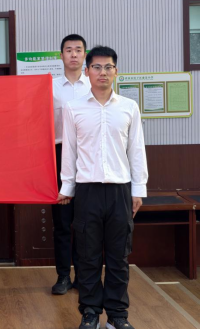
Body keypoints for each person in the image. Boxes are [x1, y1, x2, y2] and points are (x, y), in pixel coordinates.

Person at [59, 46, 148, 329]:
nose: (102, 72)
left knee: (119, 256)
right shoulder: (74, 108)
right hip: (87, 192)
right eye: (96, 67)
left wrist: (138, 189)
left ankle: (117, 316)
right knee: (88, 256)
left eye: (108, 67)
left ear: (115, 72)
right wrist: (67, 187)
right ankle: (90, 313)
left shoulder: (128, 107)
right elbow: (69, 151)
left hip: (120, 191)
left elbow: (136, 150)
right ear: (87, 71)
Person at [51, 34, 90, 295]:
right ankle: (63, 276)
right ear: (61, 55)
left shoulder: (93, 85)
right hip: (58, 154)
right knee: (63, 221)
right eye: (68, 50)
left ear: (84, 54)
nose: (73, 54)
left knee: (85, 222)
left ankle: (84, 277)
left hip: (88, 157)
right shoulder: (50, 87)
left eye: (78, 50)